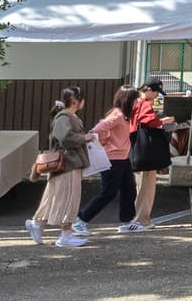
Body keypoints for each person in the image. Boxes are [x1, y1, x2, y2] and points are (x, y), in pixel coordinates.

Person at [73, 86, 141, 232]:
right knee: (108, 192)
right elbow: (98, 129)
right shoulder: (118, 115)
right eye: (135, 99)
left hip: (122, 158)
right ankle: (81, 220)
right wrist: (104, 142)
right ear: (128, 100)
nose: (137, 102)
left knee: (129, 189)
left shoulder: (122, 114)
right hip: (113, 158)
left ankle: (126, 222)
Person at [32, 88, 88, 247]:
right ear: (76, 101)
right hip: (68, 163)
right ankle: (65, 235)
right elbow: (65, 138)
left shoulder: (66, 116)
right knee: (70, 197)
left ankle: (37, 223)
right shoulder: (65, 117)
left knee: (55, 196)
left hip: (65, 164)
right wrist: (85, 137)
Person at [127, 81, 175, 230]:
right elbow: (148, 120)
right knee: (146, 187)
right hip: (146, 150)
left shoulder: (132, 102)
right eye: (155, 92)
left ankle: (136, 218)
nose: (155, 96)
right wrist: (162, 121)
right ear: (148, 90)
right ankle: (142, 219)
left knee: (139, 184)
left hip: (135, 147)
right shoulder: (144, 103)